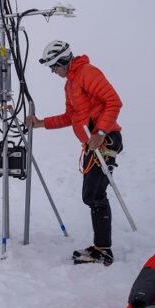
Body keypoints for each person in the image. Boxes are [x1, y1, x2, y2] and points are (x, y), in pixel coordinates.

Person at [26, 40, 123, 266]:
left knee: (95, 195)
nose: (53, 72)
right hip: (92, 143)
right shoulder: (70, 83)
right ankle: (100, 247)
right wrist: (41, 123)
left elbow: (114, 102)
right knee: (91, 195)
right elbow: (71, 117)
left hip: (105, 140)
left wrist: (100, 132)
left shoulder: (88, 73)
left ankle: (103, 251)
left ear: (62, 61)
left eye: (53, 66)